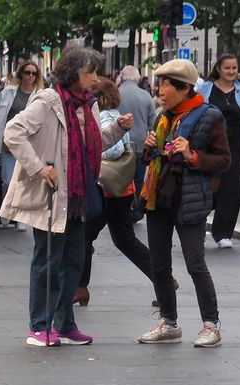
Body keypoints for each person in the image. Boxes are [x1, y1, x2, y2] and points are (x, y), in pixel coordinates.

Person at [0, 47, 132, 347]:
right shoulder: (49, 101)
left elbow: (92, 146)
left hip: (79, 194)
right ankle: (39, 326)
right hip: (53, 195)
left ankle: (65, 324)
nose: (96, 78)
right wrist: (39, 168)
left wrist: (117, 130)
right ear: (75, 73)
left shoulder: (89, 105)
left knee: (74, 259)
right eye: (91, 72)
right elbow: (13, 132)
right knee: (47, 260)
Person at [138, 58, 229, 348]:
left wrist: (192, 155)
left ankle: (211, 325)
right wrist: (149, 149)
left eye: (166, 85)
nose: (160, 90)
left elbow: (224, 160)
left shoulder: (209, 116)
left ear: (184, 87)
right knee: (159, 264)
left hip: (189, 199)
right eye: (159, 84)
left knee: (194, 263)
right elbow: (150, 160)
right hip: (158, 198)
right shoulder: (162, 116)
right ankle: (169, 322)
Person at [74, 77, 154, 307]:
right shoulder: (115, 113)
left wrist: (93, 153)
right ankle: (164, 280)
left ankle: (81, 287)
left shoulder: (105, 115)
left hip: (107, 191)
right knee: (125, 240)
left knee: (85, 236)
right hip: (121, 190)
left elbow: (114, 148)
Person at [198, 54, 240, 249]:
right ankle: (198, 226)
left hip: (235, 144)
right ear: (218, 68)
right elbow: (195, 115)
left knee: (231, 189)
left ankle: (224, 233)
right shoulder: (204, 90)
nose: (231, 72)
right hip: (210, 144)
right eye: (227, 68)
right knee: (207, 186)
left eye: (234, 68)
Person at [0, 59, 44, 210]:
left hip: (29, 143)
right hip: (9, 142)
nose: (30, 76)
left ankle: (20, 216)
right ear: (21, 74)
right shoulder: (9, 91)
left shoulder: (39, 95)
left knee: (24, 181)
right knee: (7, 180)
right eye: (27, 73)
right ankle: (6, 208)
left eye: (34, 73)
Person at [118, 65, 156, 221]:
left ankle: (121, 210)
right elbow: (152, 122)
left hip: (118, 143)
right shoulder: (146, 95)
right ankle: (136, 210)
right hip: (140, 144)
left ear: (121, 77)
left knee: (120, 178)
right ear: (138, 78)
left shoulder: (116, 94)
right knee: (138, 178)